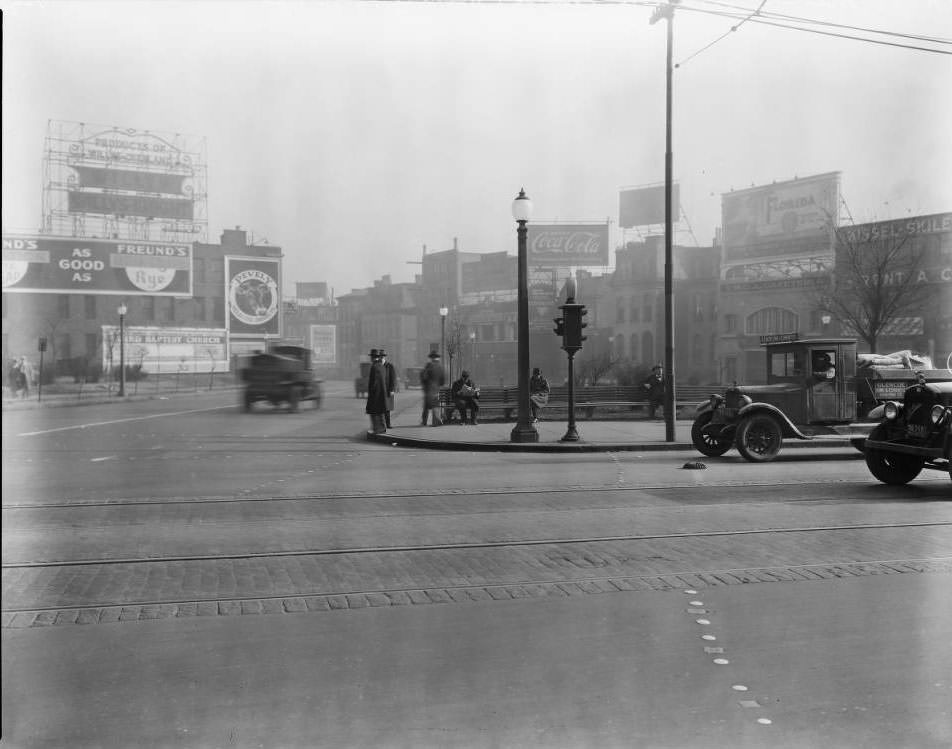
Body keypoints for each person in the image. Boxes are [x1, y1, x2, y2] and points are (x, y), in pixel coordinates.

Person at [364, 349, 388, 433]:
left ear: (373, 357)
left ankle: (376, 429)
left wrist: (371, 393)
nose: (370, 358)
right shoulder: (382, 366)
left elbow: (373, 382)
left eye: (371, 357)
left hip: (375, 393)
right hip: (382, 393)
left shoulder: (374, 367)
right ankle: (382, 427)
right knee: (380, 411)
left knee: (373, 412)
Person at [420, 350, 445, 426]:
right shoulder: (441, 367)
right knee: (435, 405)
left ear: (431, 358)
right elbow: (443, 380)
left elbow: (423, 377)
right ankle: (436, 421)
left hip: (428, 389)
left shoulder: (428, 365)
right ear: (438, 358)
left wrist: (425, 384)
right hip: (436, 389)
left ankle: (424, 422)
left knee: (426, 407)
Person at [379, 349, 397, 429]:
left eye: (382, 357)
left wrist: (392, 390)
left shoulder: (389, 366)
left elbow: (393, 378)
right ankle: (380, 425)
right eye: (380, 357)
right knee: (379, 408)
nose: (381, 358)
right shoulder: (377, 366)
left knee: (387, 409)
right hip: (379, 391)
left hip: (387, 390)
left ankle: (388, 424)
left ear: (384, 357)